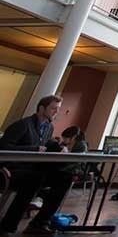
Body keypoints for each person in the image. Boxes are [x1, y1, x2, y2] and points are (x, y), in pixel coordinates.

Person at [0, 95, 72, 236]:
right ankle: (7, 226)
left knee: (65, 177)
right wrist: (33, 149)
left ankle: (39, 223)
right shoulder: (22, 125)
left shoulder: (48, 127)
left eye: (57, 109)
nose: (56, 112)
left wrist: (58, 147)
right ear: (41, 108)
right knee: (35, 179)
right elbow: (3, 148)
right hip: (10, 170)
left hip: (32, 170)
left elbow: (45, 144)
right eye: (53, 108)